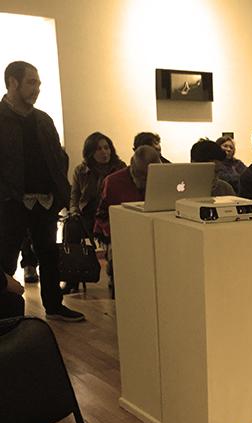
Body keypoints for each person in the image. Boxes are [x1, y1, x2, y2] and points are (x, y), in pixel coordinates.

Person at [0, 61, 84, 322]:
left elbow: (59, 157)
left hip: (45, 202)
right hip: (10, 201)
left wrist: (59, 190)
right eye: (31, 82)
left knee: (49, 255)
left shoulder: (43, 119)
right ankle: (7, 313)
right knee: (5, 259)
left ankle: (54, 306)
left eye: (38, 83)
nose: (37, 88)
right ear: (12, 82)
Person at [65, 132, 126, 293]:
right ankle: (72, 277)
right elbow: (75, 196)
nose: (104, 152)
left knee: (115, 231)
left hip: (110, 214)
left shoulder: (119, 168)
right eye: (99, 149)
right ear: (90, 152)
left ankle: (115, 277)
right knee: (71, 227)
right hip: (88, 215)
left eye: (106, 148)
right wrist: (73, 211)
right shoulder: (81, 170)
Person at [94, 145, 161, 289]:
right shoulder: (113, 182)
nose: (144, 180)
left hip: (156, 230)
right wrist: (116, 234)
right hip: (122, 233)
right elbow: (102, 215)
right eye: (141, 175)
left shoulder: (162, 178)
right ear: (132, 164)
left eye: (148, 176)